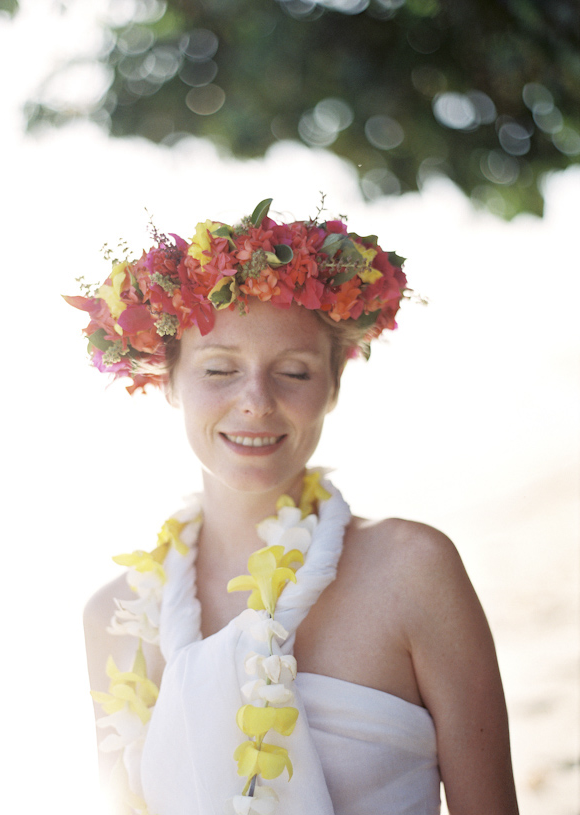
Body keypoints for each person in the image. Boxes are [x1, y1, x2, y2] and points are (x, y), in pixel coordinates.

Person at [68, 199, 519, 815]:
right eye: (220, 369)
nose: (256, 401)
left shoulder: (414, 570)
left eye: (295, 373)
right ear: (167, 380)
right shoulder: (113, 616)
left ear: (334, 384)